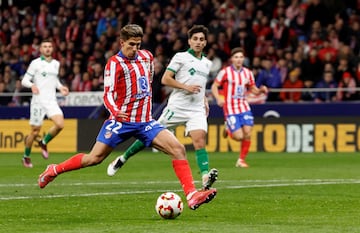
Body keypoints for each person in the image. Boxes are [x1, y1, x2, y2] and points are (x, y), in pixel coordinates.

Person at [38, 24, 217, 210]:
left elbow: (146, 85)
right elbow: (107, 94)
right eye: (131, 44)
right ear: (122, 42)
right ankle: (54, 170)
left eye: (138, 44)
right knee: (94, 158)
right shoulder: (114, 63)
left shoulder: (147, 57)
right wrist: (115, 111)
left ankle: (192, 195)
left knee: (178, 149)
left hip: (145, 121)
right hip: (121, 121)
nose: (135, 49)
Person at [107, 25, 218, 191]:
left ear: (205, 42)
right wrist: (185, 87)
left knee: (200, 140)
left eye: (201, 39)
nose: (198, 42)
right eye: (195, 39)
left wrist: (204, 99)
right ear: (189, 41)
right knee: (148, 136)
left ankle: (204, 176)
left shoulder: (207, 63)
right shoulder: (180, 57)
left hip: (196, 109)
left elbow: (200, 85)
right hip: (177, 107)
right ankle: (123, 158)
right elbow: (165, 79)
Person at [211, 47, 268, 168]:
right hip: (230, 107)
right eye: (236, 57)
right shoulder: (225, 72)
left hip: (243, 106)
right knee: (239, 137)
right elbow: (214, 86)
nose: (239, 59)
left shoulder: (248, 73)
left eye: (241, 57)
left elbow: (253, 89)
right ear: (232, 59)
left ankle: (241, 160)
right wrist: (218, 98)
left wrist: (261, 90)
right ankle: (228, 129)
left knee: (247, 133)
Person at [21, 38, 69, 168]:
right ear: (41, 49)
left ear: (52, 49)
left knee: (60, 124)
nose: (47, 48)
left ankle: (44, 142)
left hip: (51, 101)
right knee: (35, 131)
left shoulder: (56, 64)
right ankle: (26, 156)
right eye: (45, 46)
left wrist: (61, 87)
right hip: (38, 102)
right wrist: (31, 86)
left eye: (49, 46)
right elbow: (24, 80)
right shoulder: (35, 63)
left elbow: (55, 80)